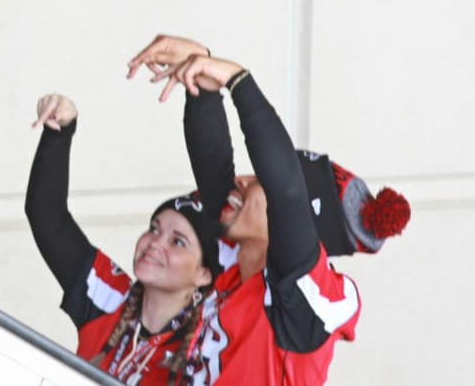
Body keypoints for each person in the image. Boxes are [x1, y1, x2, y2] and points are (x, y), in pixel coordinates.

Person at [127, 35, 409, 384]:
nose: (243, 181)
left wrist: (239, 80)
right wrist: (201, 82)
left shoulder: (309, 297)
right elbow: (217, 174)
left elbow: (287, 190)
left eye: (260, 178)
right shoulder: (238, 264)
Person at [25, 91, 225, 384]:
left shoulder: (209, 346)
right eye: (154, 228)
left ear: (204, 273)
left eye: (177, 241)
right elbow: (47, 216)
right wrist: (59, 134)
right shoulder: (112, 296)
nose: (156, 242)